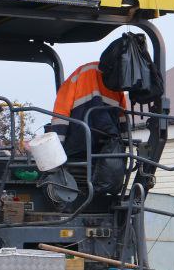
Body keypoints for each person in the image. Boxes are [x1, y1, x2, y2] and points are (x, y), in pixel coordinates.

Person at [49, 61, 129, 194]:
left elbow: (60, 117)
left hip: (78, 143)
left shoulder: (74, 79)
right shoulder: (116, 84)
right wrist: (124, 149)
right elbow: (123, 117)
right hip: (105, 147)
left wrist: (56, 151)